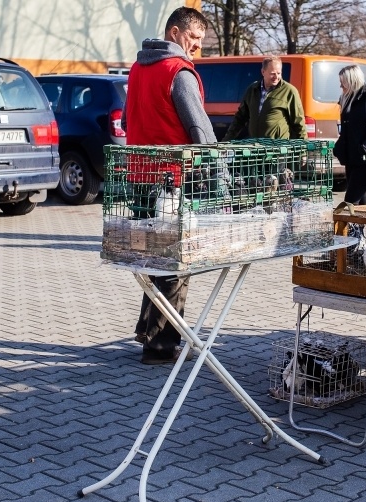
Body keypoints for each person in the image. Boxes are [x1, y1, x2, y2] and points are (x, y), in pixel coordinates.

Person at [125, 6, 217, 365]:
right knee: (176, 262)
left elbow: (130, 120)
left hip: (137, 180)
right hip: (171, 182)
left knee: (153, 257)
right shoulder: (179, 72)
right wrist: (219, 178)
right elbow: (201, 133)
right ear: (175, 33)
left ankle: (148, 331)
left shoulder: (137, 68)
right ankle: (162, 346)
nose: (197, 46)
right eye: (194, 37)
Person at [332, 64, 366, 206]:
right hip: (351, 159)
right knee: (361, 203)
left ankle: (349, 222)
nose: (340, 85)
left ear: (352, 81)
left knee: (350, 202)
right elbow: (346, 131)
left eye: (343, 82)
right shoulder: (346, 100)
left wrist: (365, 147)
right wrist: (338, 148)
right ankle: (363, 221)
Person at [222, 56, 307, 141]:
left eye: (279, 73)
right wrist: (226, 140)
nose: (276, 77)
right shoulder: (252, 89)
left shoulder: (289, 91)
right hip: (256, 145)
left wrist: (304, 146)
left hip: (278, 146)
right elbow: (240, 118)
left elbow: (298, 122)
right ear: (263, 72)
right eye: (272, 73)